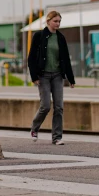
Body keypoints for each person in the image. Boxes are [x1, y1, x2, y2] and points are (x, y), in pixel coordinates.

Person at [28, 10, 75, 145]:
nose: (57, 24)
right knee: (46, 106)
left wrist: (71, 79)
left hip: (57, 75)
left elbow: (66, 59)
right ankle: (34, 129)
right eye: (55, 21)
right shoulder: (39, 36)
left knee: (59, 107)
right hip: (43, 76)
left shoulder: (61, 38)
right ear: (48, 21)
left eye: (59, 21)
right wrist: (34, 76)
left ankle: (57, 137)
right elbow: (31, 58)